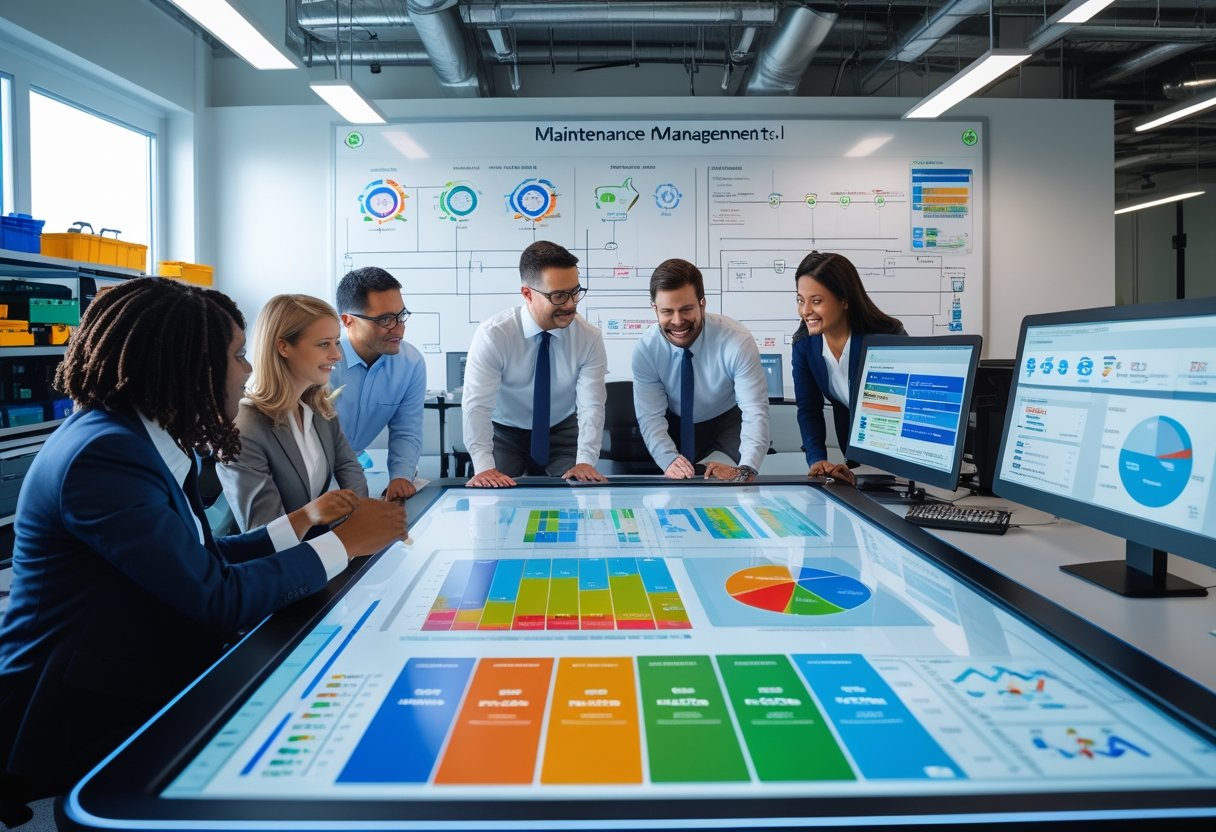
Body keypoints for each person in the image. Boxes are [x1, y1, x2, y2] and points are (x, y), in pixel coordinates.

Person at [0, 278, 406, 807]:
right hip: (86, 697)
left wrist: (300, 521)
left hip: (133, 660)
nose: (248, 370)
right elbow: (217, 596)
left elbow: (201, 556)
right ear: (185, 364)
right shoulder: (105, 456)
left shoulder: (146, 437)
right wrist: (344, 545)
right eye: (237, 356)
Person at [217, 294, 369, 533]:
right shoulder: (245, 427)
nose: (337, 355)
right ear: (283, 347)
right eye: (323, 344)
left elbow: (351, 470)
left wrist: (362, 524)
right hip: (270, 564)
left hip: (315, 550)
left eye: (336, 342)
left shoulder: (320, 412)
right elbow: (263, 530)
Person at [462, 240, 607, 487]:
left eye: (575, 292)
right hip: (504, 432)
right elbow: (477, 406)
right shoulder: (494, 335)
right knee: (493, 495)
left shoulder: (588, 337)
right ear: (527, 294)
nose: (571, 304)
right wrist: (484, 467)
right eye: (559, 295)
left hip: (562, 430)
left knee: (578, 490)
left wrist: (586, 460)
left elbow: (591, 406)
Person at [632, 258, 770, 481]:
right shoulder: (646, 350)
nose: (677, 321)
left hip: (726, 422)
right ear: (655, 309)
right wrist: (667, 458)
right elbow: (651, 417)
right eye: (667, 311)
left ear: (702, 304)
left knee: (727, 489)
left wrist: (747, 468)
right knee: (674, 489)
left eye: (686, 309)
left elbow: (755, 410)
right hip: (673, 421)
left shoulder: (736, 341)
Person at [791, 252, 905, 486]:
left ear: (844, 300)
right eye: (801, 300)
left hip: (897, 453)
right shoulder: (804, 345)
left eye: (816, 301)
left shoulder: (885, 339)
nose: (805, 311)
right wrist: (817, 460)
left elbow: (892, 413)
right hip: (853, 456)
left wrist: (863, 470)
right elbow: (808, 409)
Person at [331, 267, 426, 501]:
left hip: (352, 466)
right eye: (385, 319)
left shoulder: (410, 363)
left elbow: (406, 429)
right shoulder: (325, 363)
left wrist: (401, 477)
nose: (399, 328)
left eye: (401, 315)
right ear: (348, 321)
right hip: (313, 468)